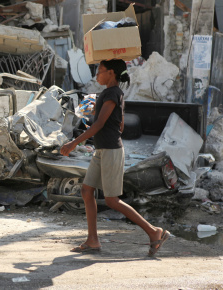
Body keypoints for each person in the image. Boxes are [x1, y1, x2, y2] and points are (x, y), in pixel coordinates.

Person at [60, 59, 170, 257]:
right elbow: (118, 126)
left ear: (111, 73)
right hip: (102, 150)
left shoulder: (112, 94)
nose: (97, 75)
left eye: (100, 71)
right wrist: (96, 109)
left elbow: (100, 124)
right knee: (86, 191)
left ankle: (154, 232)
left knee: (111, 200)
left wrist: (73, 143)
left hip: (111, 150)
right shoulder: (109, 94)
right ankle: (92, 240)